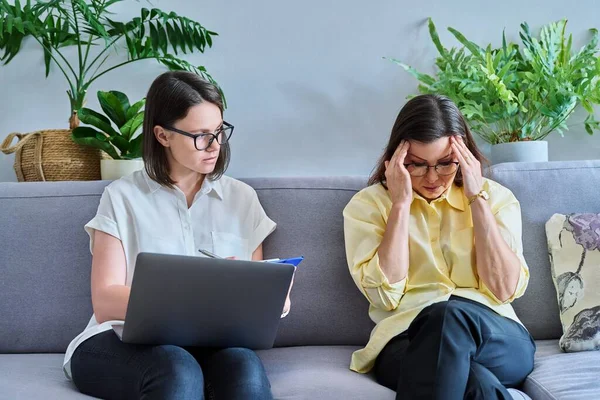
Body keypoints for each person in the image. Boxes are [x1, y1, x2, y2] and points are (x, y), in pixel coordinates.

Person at [63, 71, 289, 400]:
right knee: (177, 368)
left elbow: (250, 301)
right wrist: (195, 302)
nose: (214, 146)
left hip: (211, 347)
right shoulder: (123, 197)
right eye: (200, 136)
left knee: (246, 370)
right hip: (119, 342)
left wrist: (271, 301)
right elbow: (106, 300)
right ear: (163, 135)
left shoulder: (242, 200)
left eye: (219, 132)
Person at [343, 94, 535, 399]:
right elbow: (384, 295)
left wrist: (476, 199)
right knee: (478, 384)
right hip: (407, 339)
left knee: (450, 315)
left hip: (496, 337)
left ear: (464, 158)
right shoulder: (367, 206)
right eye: (416, 166)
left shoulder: (497, 199)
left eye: (445, 164)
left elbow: (504, 288)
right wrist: (400, 205)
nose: (432, 178)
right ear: (396, 161)